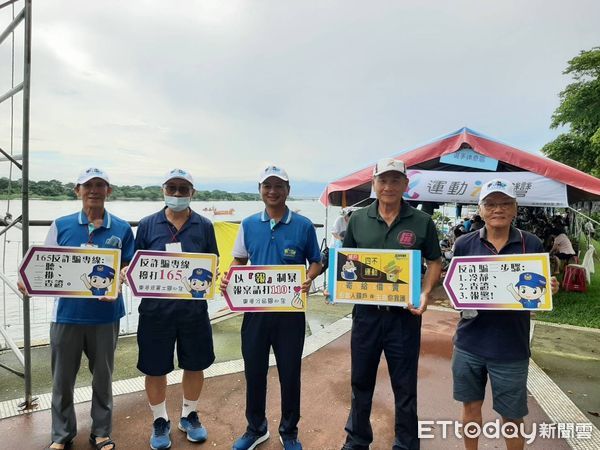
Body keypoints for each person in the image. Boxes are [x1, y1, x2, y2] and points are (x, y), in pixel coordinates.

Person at [17, 168, 135, 450]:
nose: (93, 190)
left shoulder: (121, 228)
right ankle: (61, 435)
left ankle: (101, 432)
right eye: (87, 185)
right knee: (61, 381)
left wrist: (119, 279)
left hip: (106, 317)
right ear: (77, 190)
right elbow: (44, 264)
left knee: (104, 379)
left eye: (99, 185)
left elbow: (129, 266)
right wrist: (28, 281)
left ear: (109, 190)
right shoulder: (61, 224)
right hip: (66, 315)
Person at [340, 158, 442, 450]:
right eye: (383, 180)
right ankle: (357, 440)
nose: (388, 186)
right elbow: (346, 260)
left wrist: (424, 293)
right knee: (360, 380)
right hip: (366, 316)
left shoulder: (422, 222)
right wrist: (338, 286)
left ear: (405, 185)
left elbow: (434, 261)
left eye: (395, 180)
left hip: (404, 318)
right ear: (374, 184)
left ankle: (407, 442)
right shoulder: (358, 219)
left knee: (405, 384)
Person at [451, 178, 559, 450]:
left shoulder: (531, 243)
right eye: (490, 203)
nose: (497, 209)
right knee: (470, 406)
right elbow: (456, 286)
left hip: (511, 346)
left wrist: (549, 287)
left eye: (504, 203)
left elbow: (538, 289)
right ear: (481, 209)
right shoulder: (464, 244)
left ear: (515, 209)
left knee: (512, 415)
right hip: (469, 343)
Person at [220, 165, 322, 450]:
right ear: (260, 190)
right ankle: (256, 428)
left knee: (290, 372)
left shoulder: (303, 226)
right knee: (254, 371)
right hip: (255, 312)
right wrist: (230, 277)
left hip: (290, 313)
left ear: (288, 191)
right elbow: (239, 260)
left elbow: (315, 260)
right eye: (268, 186)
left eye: (279, 186)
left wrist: (310, 277)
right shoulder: (249, 224)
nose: (273, 191)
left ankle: (289, 430)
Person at [130, 169, 219, 450]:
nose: (178, 193)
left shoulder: (205, 226)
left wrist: (213, 276)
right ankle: (160, 420)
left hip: (193, 311)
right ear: (163, 190)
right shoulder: (146, 225)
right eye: (173, 188)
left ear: (193, 192)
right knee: (155, 368)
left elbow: (212, 262)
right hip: (155, 311)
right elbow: (136, 264)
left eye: (183, 188)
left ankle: (189, 415)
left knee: (195, 364)